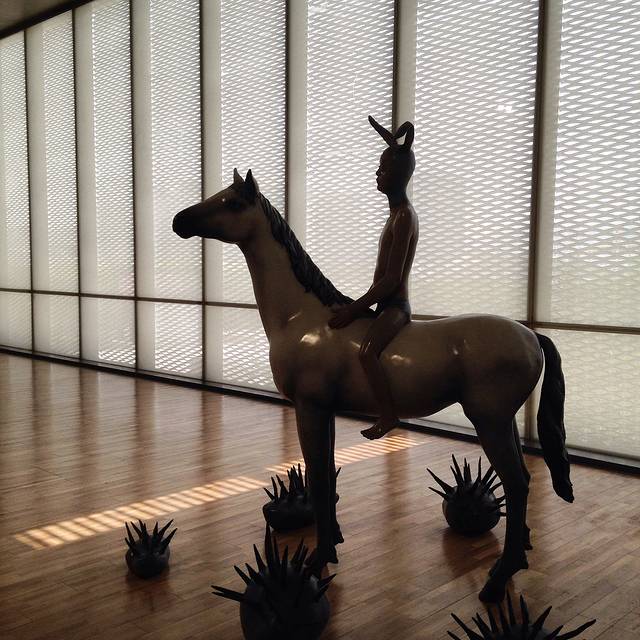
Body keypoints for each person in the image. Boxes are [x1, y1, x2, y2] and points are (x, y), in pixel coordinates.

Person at [329, 116, 418, 440]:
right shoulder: (394, 215)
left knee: (366, 352)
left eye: (382, 169)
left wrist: (354, 309)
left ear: (398, 175)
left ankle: (388, 414)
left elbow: (391, 280)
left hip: (396, 307)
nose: (377, 174)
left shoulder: (404, 217)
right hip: (384, 304)